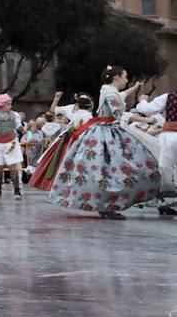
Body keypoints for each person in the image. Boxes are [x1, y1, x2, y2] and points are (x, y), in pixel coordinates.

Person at [48, 66, 161, 219]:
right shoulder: (110, 94)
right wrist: (145, 119)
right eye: (125, 77)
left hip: (105, 130)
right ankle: (108, 203)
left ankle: (107, 203)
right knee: (115, 167)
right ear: (117, 78)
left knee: (107, 170)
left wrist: (134, 88)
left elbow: (120, 96)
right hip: (108, 132)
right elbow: (119, 113)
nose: (126, 80)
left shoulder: (108, 91)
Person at [30, 92, 94, 191]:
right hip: (72, 138)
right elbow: (53, 110)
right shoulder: (80, 112)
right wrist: (56, 99)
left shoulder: (84, 114)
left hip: (73, 137)